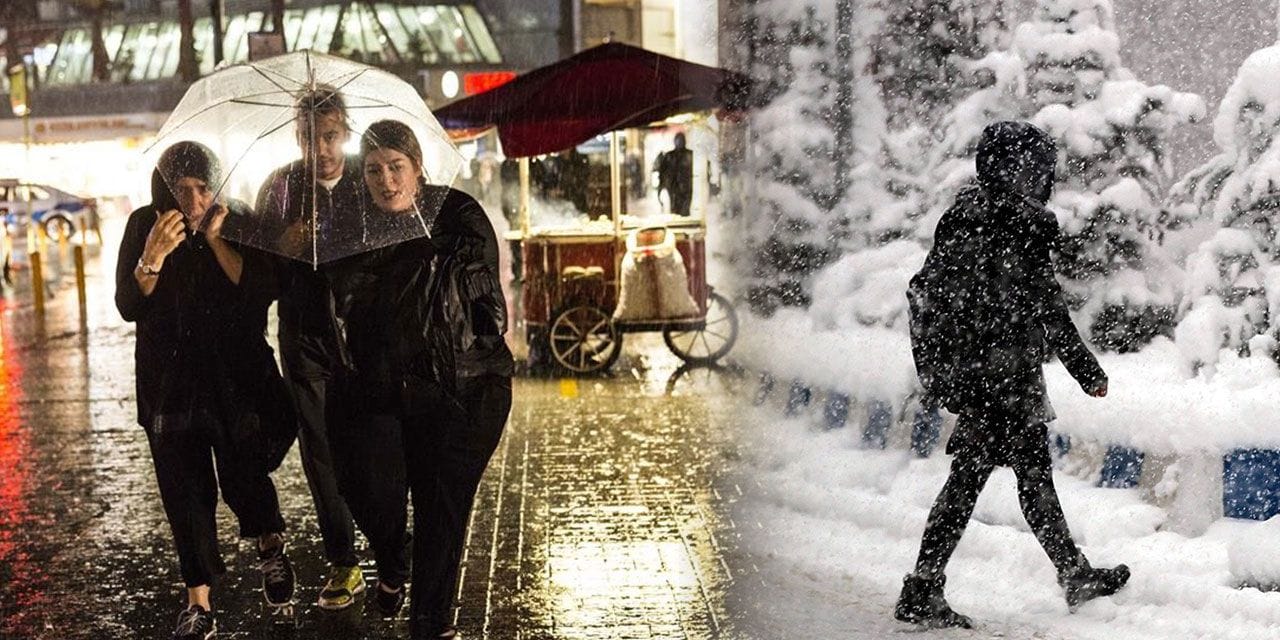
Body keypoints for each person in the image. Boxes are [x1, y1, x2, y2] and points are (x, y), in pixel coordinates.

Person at [897, 121, 1129, 629]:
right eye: (1037, 169)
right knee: (994, 479)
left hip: (976, 373)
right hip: (1002, 377)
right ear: (1016, 169)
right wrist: (1087, 371)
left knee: (1010, 475)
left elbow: (945, 294)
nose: (1042, 179)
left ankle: (1068, 573)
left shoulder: (963, 216)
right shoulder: (1017, 225)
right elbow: (1048, 308)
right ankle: (925, 585)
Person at [324, 119, 514, 639]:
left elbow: (483, 315)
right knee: (367, 492)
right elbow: (345, 310)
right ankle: (391, 561)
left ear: (417, 167)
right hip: (388, 391)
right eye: (374, 171)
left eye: (396, 167)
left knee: (439, 510)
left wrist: (422, 256)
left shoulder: (455, 215)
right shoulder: (353, 229)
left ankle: (431, 625)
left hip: (465, 391)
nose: (387, 181)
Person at [115, 141, 296, 640]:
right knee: (185, 493)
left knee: (245, 476)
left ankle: (268, 542)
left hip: (234, 384)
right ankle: (198, 599)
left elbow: (260, 293)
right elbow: (129, 305)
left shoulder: (237, 220)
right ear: (163, 192)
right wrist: (152, 255)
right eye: (181, 190)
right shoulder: (142, 227)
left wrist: (217, 242)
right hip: (170, 388)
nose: (193, 201)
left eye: (202, 188)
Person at [254, 86, 371, 611]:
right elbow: (259, 270)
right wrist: (285, 249)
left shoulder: (370, 179)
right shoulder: (280, 188)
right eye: (309, 137)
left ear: (345, 132)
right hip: (303, 337)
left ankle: (389, 542)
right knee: (320, 449)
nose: (321, 148)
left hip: (365, 337)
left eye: (329, 135)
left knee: (373, 444)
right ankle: (344, 560)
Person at [657, 132, 694, 215]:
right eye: (678, 140)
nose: (680, 142)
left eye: (681, 140)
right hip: (674, 187)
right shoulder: (669, 156)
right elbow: (662, 172)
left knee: (685, 209)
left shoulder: (690, 155)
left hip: (686, 187)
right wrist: (662, 185)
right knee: (675, 209)